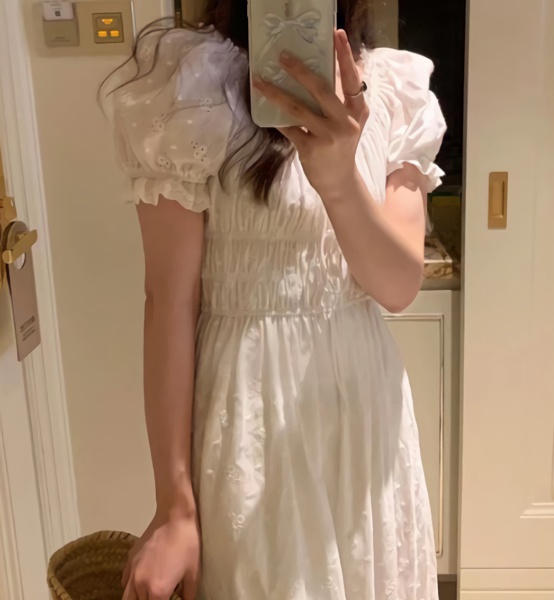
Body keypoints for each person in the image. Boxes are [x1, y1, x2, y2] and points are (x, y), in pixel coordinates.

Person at [104, 0, 446, 598]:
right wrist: (174, 508)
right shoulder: (190, 84)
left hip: (363, 413)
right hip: (247, 409)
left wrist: (338, 179)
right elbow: (169, 302)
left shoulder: (394, 89)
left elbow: (397, 287)